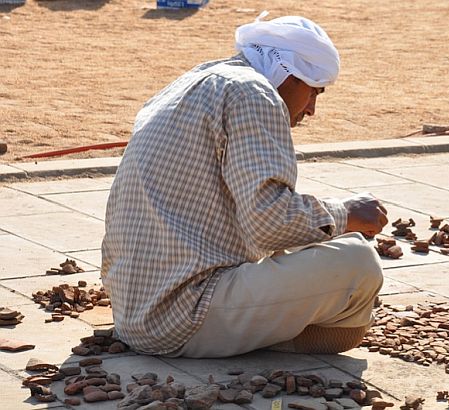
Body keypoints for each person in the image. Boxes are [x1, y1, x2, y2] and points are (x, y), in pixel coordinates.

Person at [101, 14, 388, 358]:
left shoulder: (200, 78)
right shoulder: (254, 93)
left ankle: (261, 328)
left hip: (135, 306)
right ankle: (280, 339)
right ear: (288, 73)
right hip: (180, 316)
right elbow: (270, 224)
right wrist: (346, 213)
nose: (311, 109)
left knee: (323, 235)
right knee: (358, 263)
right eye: (314, 91)